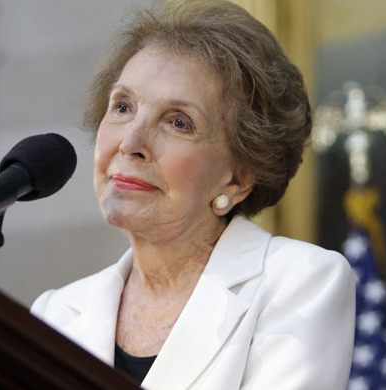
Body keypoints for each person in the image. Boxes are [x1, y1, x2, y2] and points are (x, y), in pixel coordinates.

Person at [30, 1, 355, 389]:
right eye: (122, 106)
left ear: (238, 178)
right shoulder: (55, 314)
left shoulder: (300, 283)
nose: (131, 142)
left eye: (178, 122)